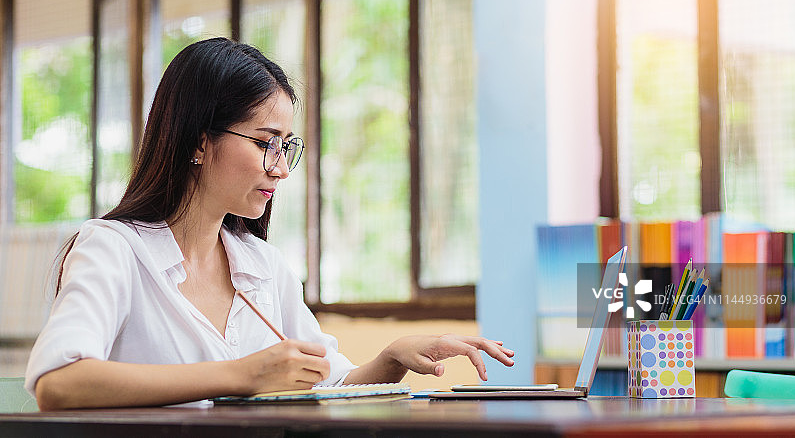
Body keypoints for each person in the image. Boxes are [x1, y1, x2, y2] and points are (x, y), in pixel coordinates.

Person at [24, 37, 514, 411]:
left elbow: (328, 383)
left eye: (287, 146)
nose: (280, 167)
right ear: (198, 141)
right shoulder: (111, 249)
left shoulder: (261, 264)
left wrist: (390, 357)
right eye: (266, 142)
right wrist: (242, 375)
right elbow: (58, 383)